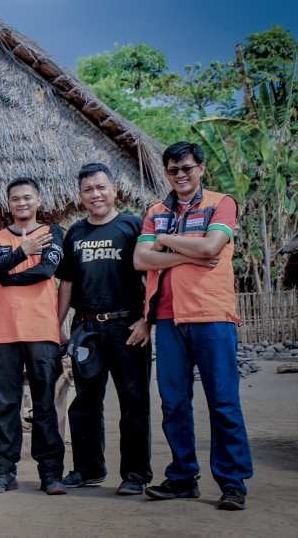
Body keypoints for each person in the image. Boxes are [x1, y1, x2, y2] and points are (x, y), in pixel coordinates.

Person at [134, 142, 252, 511]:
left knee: (223, 401)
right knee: (174, 403)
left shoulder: (221, 202)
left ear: (201, 167)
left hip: (211, 315)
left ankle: (233, 482)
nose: (180, 175)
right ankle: (183, 477)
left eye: (186, 168)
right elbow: (140, 259)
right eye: (173, 170)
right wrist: (191, 249)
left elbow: (213, 248)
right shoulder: (156, 210)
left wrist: (166, 244)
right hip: (167, 318)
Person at [56, 163, 151, 495]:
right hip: (87, 329)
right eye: (88, 190)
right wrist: (58, 325)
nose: (95, 195)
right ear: (80, 196)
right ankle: (88, 468)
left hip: (128, 327)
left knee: (133, 401)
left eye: (100, 188)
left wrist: (147, 320)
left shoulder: (133, 226)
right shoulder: (76, 234)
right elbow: (66, 282)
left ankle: (136, 475)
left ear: (114, 190)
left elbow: (152, 276)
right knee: (85, 402)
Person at [0, 176, 66, 495]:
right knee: (6, 404)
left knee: (44, 404)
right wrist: (21, 252)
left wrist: (6, 275)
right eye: (15, 198)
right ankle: (3, 469)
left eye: (27, 197)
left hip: (41, 329)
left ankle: (51, 472)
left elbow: (46, 270)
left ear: (38, 200)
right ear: (8, 202)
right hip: (2, 331)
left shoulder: (52, 232)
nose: (22, 203)